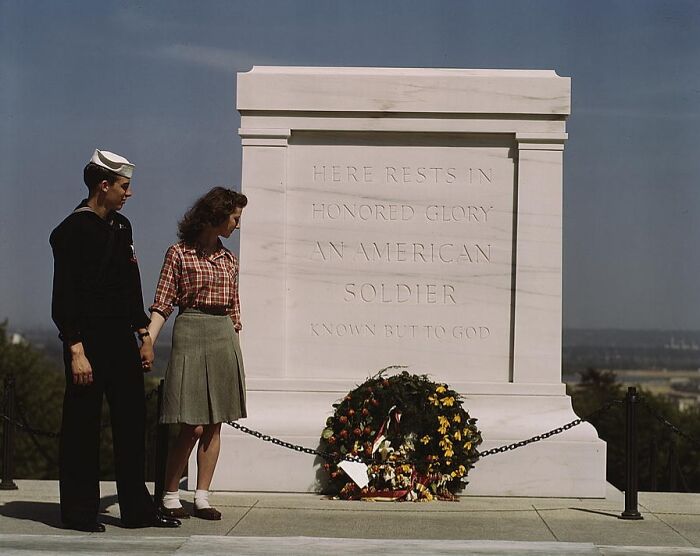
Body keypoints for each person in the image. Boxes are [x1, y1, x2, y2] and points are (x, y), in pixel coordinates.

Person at [49, 149, 181, 532]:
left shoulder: (122, 228)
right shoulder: (72, 231)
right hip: (85, 342)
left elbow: (128, 287)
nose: (129, 193)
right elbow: (64, 296)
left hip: (120, 340)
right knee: (81, 428)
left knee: (132, 423)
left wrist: (143, 335)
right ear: (103, 186)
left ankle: (137, 510)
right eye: (124, 186)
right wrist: (75, 350)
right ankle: (78, 512)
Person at [147, 187, 247, 520]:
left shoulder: (230, 259)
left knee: (214, 422)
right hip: (190, 329)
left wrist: (234, 346)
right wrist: (148, 340)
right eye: (234, 217)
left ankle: (202, 495)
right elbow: (163, 304)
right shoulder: (178, 253)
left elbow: (234, 310)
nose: (236, 225)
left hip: (222, 335)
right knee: (190, 425)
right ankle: (170, 492)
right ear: (218, 215)